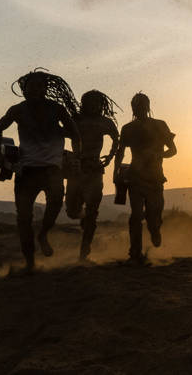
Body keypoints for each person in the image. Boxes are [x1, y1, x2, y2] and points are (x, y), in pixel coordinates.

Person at [0, 69, 81, 273]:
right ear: (25, 90)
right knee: (23, 218)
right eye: (30, 87)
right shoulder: (17, 110)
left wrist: (76, 158)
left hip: (53, 170)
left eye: (39, 86)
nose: (34, 90)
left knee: (55, 205)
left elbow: (76, 134)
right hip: (26, 172)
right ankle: (30, 262)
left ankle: (43, 234)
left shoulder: (57, 109)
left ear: (45, 89)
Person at [114, 92, 176, 263]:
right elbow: (120, 152)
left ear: (148, 106)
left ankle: (155, 231)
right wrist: (116, 173)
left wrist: (158, 155)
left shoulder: (160, 125)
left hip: (155, 177)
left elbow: (173, 150)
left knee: (154, 216)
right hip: (135, 177)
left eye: (142, 105)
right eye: (136, 105)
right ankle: (135, 253)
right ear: (133, 108)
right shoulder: (128, 128)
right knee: (135, 215)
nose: (140, 108)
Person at [66, 90, 120, 261]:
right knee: (72, 211)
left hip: (95, 169)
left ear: (101, 104)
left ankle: (85, 249)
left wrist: (110, 157)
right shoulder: (75, 120)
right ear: (84, 103)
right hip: (75, 169)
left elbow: (117, 139)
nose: (93, 105)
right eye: (90, 102)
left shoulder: (104, 122)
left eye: (97, 102)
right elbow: (60, 133)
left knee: (92, 211)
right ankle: (83, 217)